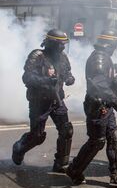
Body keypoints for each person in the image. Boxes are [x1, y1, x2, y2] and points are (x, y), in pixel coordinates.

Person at [66, 30, 117, 188]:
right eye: (115, 45)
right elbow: (99, 82)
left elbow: (108, 71)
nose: (115, 48)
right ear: (109, 44)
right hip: (98, 106)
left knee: (115, 137)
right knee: (97, 141)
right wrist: (114, 99)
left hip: (105, 105)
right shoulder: (99, 57)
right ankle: (74, 169)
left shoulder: (104, 57)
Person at [12, 29, 75, 173]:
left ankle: (61, 163)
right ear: (52, 43)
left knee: (66, 130)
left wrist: (70, 78)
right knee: (37, 136)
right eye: (60, 44)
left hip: (57, 100)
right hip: (39, 102)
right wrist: (45, 80)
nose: (63, 47)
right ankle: (19, 148)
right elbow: (27, 78)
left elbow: (67, 73)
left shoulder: (63, 57)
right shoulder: (37, 56)